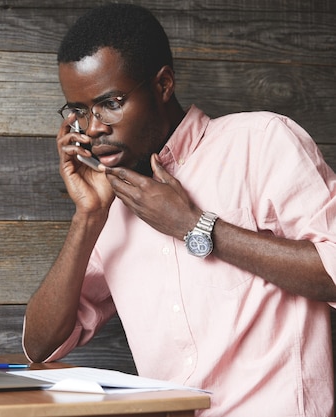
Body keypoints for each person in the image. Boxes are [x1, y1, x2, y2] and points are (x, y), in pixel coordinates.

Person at [22, 4, 336, 416]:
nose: (94, 127)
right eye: (79, 111)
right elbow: (39, 346)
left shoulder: (260, 143)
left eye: (110, 103)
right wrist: (88, 216)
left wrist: (194, 226)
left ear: (163, 84)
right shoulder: (112, 203)